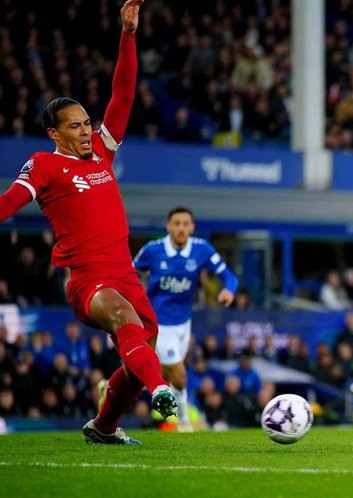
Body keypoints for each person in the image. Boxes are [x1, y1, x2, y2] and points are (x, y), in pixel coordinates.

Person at [0, 0, 176, 445]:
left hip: (125, 272)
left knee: (143, 351)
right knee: (122, 319)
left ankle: (103, 427)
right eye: (74, 127)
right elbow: (10, 201)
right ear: (54, 133)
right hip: (89, 281)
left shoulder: (101, 151)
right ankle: (161, 390)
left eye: (86, 123)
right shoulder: (43, 165)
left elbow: (124, 95)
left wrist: (128, 35)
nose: (84, 132)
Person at [133, 206, 238, 431]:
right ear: (168, 226)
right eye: (176, 224)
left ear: (192, 227)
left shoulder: (201, 249)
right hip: (158, 323)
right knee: (179, 375)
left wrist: (228, 290)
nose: (181, 228)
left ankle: (119, 388)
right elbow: (129, 271)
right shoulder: (153, 250)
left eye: (185, 224)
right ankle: (183, 421)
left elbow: (228, 275)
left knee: (167, 375)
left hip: (183, 323)